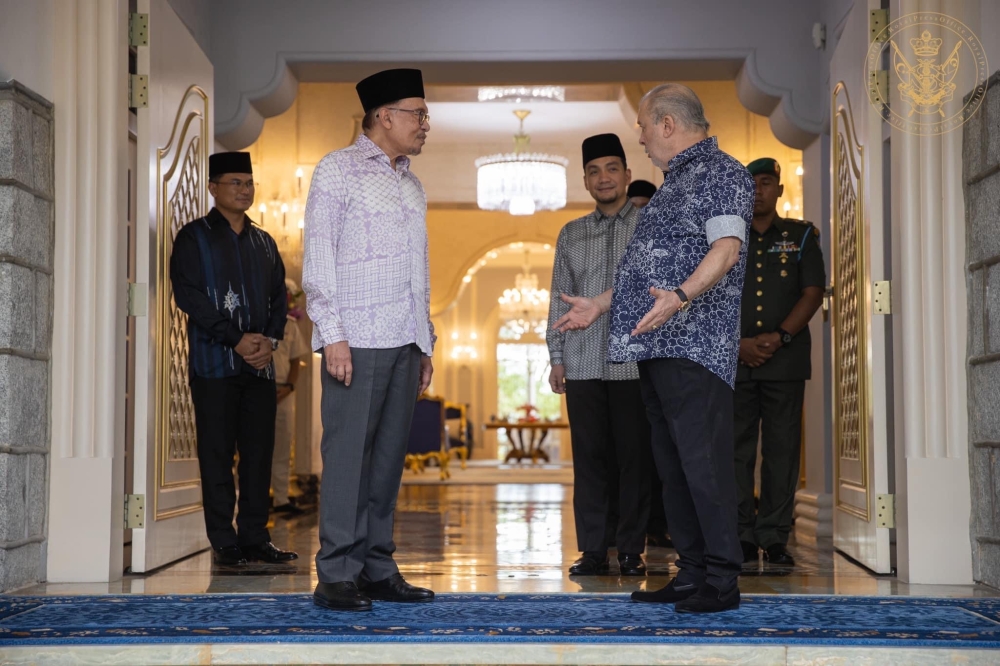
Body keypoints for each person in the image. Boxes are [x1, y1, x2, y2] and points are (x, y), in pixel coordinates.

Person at [554, 83, 753, 613]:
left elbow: (727, 249)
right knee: (674, 469)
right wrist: (599, 305)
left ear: (667, 124)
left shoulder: (720, 173)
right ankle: (692, 572)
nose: (640, 139)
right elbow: (645, 272)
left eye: (643, 128)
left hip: (695, 347)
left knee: (704, 466)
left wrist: (681, 297)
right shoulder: (672, 184)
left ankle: (721, 579)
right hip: (657, 348)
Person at [303, 68, 436, 612]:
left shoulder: (413, 184)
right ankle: (336, 573)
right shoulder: (337, 170)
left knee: (386, 463)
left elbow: (419, 269)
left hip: (405, 339)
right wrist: (332, 334)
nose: (425, 124)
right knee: (347, 459)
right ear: (384, 116)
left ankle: (377, 567)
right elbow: (318, 256)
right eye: (418, 114)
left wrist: (425, 340)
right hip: (355, 339)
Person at [169, 151, 297, 566]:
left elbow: (279, 298)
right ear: (213, 187)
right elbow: (189, 296)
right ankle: (224, 540)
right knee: (218, 456)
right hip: (214, 367)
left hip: (259, 368)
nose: (244, 190)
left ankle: (256, 537)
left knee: (259, 455)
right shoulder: (194, 238)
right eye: (235, 183)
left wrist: (269, 341)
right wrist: (236, 339)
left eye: (249, 183)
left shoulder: (264, 242)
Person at [547, 133, 651, 578]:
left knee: (634, 460)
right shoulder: (571, 233)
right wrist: (556, 355)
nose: (603, 177)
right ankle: (592, 550)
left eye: (611, 169)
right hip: (583, 361)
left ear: (627, 175)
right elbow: (559, 296)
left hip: (636, 362)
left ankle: (630, 550)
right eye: (594, 171)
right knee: (589, 460)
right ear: (585, 181)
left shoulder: (648, 224)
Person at [735, 158, 826, 567]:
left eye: (766, 182)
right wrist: (737, 344)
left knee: (782, 451)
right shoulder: (724, 237)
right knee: (735, 452)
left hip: (784, 362)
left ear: (780, 189)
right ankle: (739, 534)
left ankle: (773, 537)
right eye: (750, 183)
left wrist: (781, 335)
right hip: (735, 360)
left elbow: (812, 292)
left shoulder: (801, 235)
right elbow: (709, 297)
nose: (757, 190)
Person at [270, 278, 310, 516]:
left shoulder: (289, 325)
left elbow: (296, 360)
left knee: (283, 446)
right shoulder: (255, 320)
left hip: (283, 391)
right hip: (257, 390)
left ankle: (281, 498)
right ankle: (253, 498)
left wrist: (289, 387)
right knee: (252, 447)